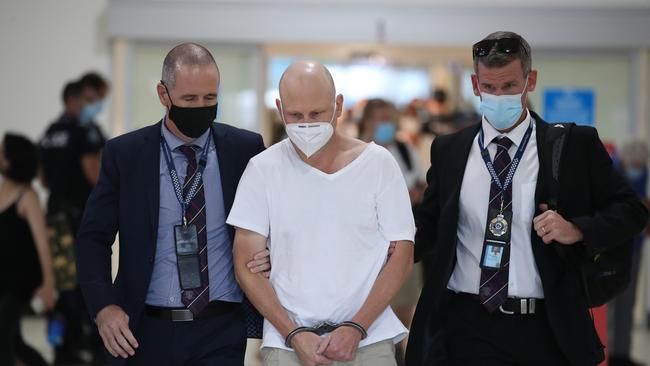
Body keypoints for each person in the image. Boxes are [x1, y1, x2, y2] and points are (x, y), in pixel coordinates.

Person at [405, 31, 649, 366]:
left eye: (508, 86)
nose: (498, 96)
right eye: (489, 88)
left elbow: (632, 211)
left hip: (542, 327)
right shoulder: (451, 150)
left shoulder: (572, 145)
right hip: (465, 324)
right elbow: (428, 227)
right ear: (476, 86)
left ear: (529, 80)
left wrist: (577, 229)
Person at [75, 43, 265, 366]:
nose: (201, 107)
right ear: (164, 95)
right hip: (145, 330)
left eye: (210, 98)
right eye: (189, 99)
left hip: (220, 326)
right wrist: (104, 307)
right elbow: (93, 238)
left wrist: (268, 255)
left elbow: (271, 223)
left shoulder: (245, 149)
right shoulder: (126, 155)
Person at [229, 60, 415, 366]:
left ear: (338, 106)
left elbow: (402, 255)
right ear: (280, 109)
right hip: (288, 346)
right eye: (295, 115)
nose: (306, 124)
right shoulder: (262, 170)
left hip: (369, 341)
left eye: (316, 113)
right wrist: (294, 334)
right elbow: (246, 267)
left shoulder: (378, 165)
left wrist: (357, 327)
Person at [40, 80, 106, 365]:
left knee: (63, 285)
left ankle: (63, 348)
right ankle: (87, 348)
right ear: (75, 99)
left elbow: (43, 177)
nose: (94, 105)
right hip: (78, 218)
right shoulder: (85, 131)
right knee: (84, 282)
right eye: (92, 99)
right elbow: (94, 173)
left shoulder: (51, 132)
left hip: (55, 217)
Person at [359, 98, 425, 362]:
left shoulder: (405, 151)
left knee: (404, 307)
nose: (386, 124)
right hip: (369, 245)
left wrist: (412, 194)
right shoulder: (355, 153)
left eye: (390, 118)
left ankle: (396, 354)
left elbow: (421, 184)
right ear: (367, 121)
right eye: (380, 118)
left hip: (401, 240)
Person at [0, 133, 56, 365]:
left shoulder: (28, 195)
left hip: (20, 282)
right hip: (3, 278)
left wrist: (49, 284)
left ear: (11, 160)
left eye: (2, 152)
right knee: (14, 340)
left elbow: (43, 242)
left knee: (2, 337)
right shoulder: (4, 188)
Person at [608, 140, 650, 366]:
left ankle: (622, 355)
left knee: (628, 302)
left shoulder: (642, 171)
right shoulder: (611, 171)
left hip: (635, 244)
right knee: (611, 302)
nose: (637, 168)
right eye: (633, 164)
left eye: (640, 165)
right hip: (612, 248)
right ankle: (608, 353)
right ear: (624, 160)